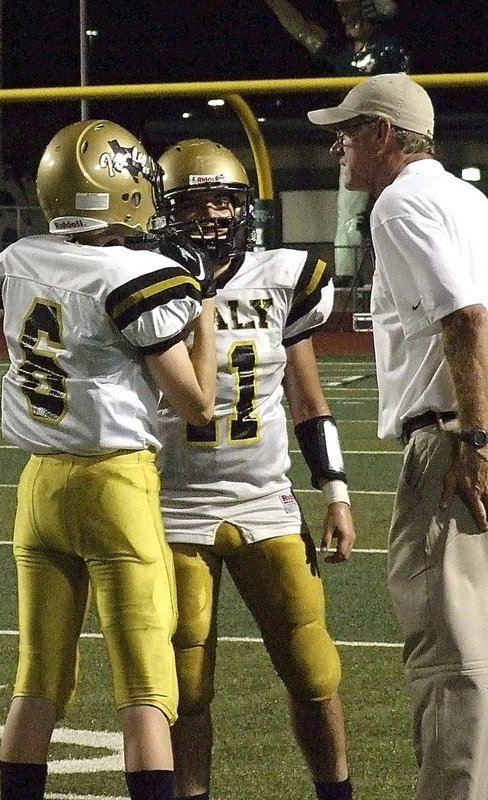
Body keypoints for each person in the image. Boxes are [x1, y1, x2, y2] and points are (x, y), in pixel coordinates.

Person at [0, 119, 217, 800]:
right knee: (147, 685)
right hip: (114, 484)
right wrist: (203, 310)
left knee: (37, 679)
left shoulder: (17, 258)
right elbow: (197, 404)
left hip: (38, 486)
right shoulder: (133, 275)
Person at [156, 137, 357, 800]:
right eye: (194, 203)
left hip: (266, 499)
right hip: (170, 506)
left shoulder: (283, 276)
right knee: (185, 688)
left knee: (314, 672)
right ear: (164, 210)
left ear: (244, 206)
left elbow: (308, 399)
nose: (212, 215)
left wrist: (336, 492)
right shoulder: (139, 281)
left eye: (223, 200)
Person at [308, 72, 488, 800]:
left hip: (454, 438)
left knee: (453, 657)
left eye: (347, 133)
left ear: (384, 134)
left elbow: (465, 318)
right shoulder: (468, 200)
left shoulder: (401, 203)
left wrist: (475, 441)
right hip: (471, 427)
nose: (338, 150)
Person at [263, 0, 410, 286]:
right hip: (358, 138)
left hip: (390, 138)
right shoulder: (344, 53)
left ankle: (400, 273)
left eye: (354, 16)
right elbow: (303, 31)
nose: (347, 22)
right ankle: (345, 278)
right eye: (345, 17)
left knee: (397, 204)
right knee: (350, 212)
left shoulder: (389, 48)